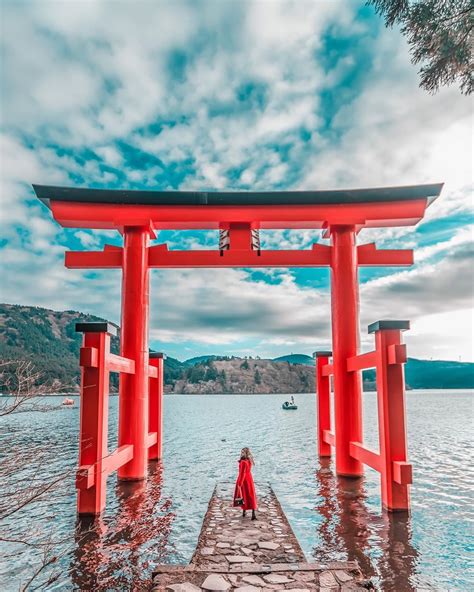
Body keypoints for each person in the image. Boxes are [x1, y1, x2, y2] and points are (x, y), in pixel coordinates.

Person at [233, 447, 257, 520]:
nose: (241, 454)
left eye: (243, 452)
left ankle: (244, 511)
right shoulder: (249, 460)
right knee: (251, 495)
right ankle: (253, 514)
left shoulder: (243, 462)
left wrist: (239, 483)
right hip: (249, 478)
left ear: (246, 453)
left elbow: (242, 473)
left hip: (244, 479)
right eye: (241, 452)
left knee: (243, 495)